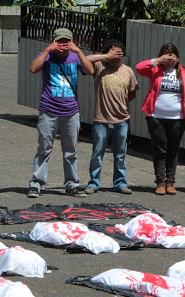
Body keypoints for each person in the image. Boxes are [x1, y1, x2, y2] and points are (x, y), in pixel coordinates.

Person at [27, 28, 94, 198]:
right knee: (44, 148)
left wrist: (78, 50)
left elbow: (90, 71)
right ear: (53, 40)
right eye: (60, 41)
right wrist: (48, 50)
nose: (63, 45)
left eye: (66, 41)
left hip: (71, 112)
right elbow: (33, 69)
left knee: (70, 150)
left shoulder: (75, 56)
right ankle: (36, 183)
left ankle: (71, 184)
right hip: (49, 110)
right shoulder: (47, 56)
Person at [136, 43, 185, 195]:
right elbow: (139, 67)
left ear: (178, 58)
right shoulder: (156, 70)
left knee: (173, 149)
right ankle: (160, 181)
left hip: (177, 117)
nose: (170, 58)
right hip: (156, 116)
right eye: (166, 55)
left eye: (172, 55)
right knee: (160, 149)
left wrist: (181, 105)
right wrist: (157, 61)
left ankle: (170, 181)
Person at [83, 39, 139, 195]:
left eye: (120, 52)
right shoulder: (100, 67)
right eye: (115, 52)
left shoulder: (128, 70)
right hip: (101, 119)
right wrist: (106, 55)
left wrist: (124, 104)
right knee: (97, 153)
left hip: (122, 120)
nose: (118, 56)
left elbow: (133, 91)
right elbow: (84, 60)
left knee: (120, 154)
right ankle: (94, 183)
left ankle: (120, 182)